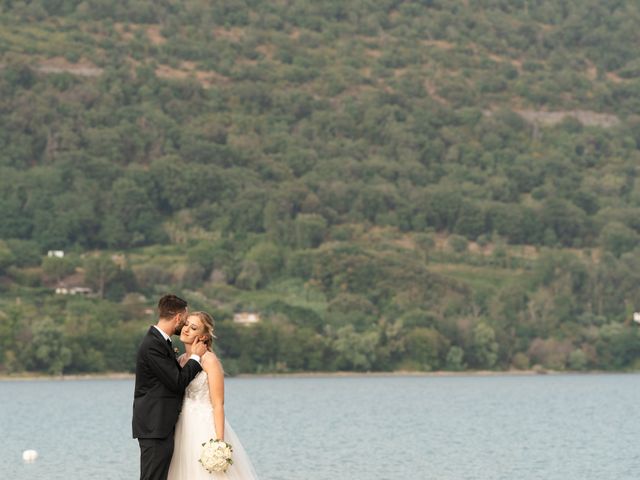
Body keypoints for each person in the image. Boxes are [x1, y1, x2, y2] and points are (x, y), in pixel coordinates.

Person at [168, 311, 259, 480]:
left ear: (203, 337)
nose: (186, 329)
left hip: (202, 426)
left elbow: (218, 404)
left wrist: (219, 443)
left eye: (193, 327)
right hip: (181, 426)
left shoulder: (209, 360)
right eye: (186, 324)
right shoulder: (180, 360)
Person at [132, 294, 208, 480]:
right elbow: (177, 382)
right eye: (185, 319)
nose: (185, 325)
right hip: (154, 426)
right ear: (178, 318)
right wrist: (196, 357)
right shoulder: (153, 345)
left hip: (160, 425)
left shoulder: (161, 342)